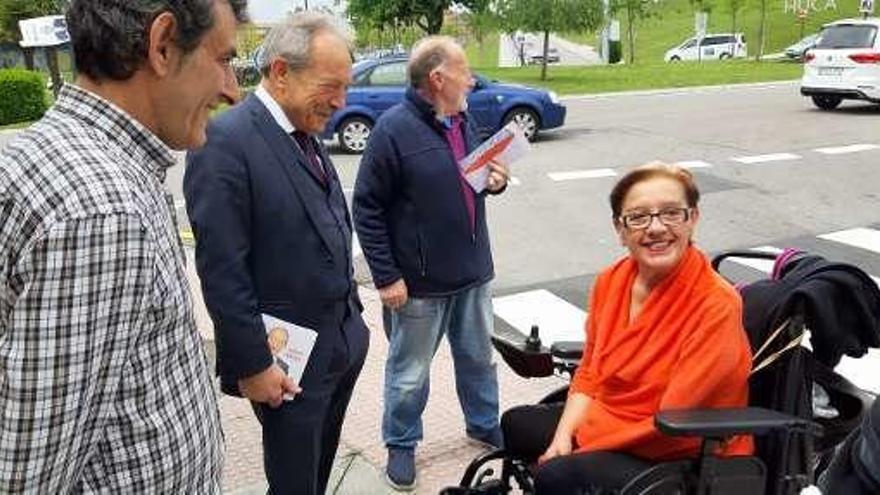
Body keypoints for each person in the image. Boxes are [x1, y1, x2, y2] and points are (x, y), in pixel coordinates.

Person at [0, 0, 247, 492]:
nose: (232, 90)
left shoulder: (49, 153)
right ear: (161, 45)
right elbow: (26, 477)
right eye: (222, 59)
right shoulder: (104, 210)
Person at [184, 13, 368, 495]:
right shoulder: (226, 142)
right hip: (285, 369)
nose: (341, 102)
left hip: (341, 344)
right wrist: (251, 365)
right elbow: (222, 270)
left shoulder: (302, 128)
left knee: (316, 473)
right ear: (282, 72)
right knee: (293, 484)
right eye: (331, 86)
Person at [501, 163, 754, 494]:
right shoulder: (611, 281)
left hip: (679, 445)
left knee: (557, 475)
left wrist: (584, 441)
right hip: (614, 420)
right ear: (620, 230)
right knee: (515, 423)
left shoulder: (716, 303)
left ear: (692, 219)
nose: (656, 228)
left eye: (671, 214)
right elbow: (591, 372)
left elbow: (674, 415)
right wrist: (564, 435)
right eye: (638, 217)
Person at [352, 35, 510, 490]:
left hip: (474, 271)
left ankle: (483, 424)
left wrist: (495, 181)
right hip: (418, 284)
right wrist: (386, 276)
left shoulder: (462, 118)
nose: (472, 78)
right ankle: (401, 444)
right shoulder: (393, 130)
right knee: (408, 374)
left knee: (479, 359)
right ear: (437, 79)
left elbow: (477, 177)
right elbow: (366, 207)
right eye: (463, 70)